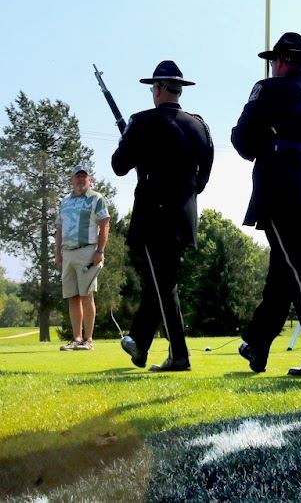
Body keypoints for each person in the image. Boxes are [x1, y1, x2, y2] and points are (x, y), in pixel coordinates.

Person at [233, 32, 301, 377]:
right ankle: (257, 345)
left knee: (298, 269)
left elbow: (243, 141)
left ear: (278, 62)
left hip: (282, 189)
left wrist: (265, 138)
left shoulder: (268, 89)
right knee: (283, 272)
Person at [113, 60, 213, 372]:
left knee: (162, 284)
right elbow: (203, 176)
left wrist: (127, 139)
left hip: (153, 214)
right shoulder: (199, 125)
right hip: (184, 215)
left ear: (157, 89)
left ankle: (170, 352)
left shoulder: (141, 122)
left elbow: (119, 165)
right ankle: (142, 346)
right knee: (163, 282)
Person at [55, 163, 111, 351]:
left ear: (89, 179)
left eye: (84, 176)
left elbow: (104, 225)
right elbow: (59, 228)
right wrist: (58, 254)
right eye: (77, 176)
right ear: (71, 180)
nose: (80, 179)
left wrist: (100, 251)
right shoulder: (64, 202)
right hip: (68, 252)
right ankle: (76, 338)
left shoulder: (96, 199)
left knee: (87, 295)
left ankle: (88, 339)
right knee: (72, 296)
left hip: (88, 250)